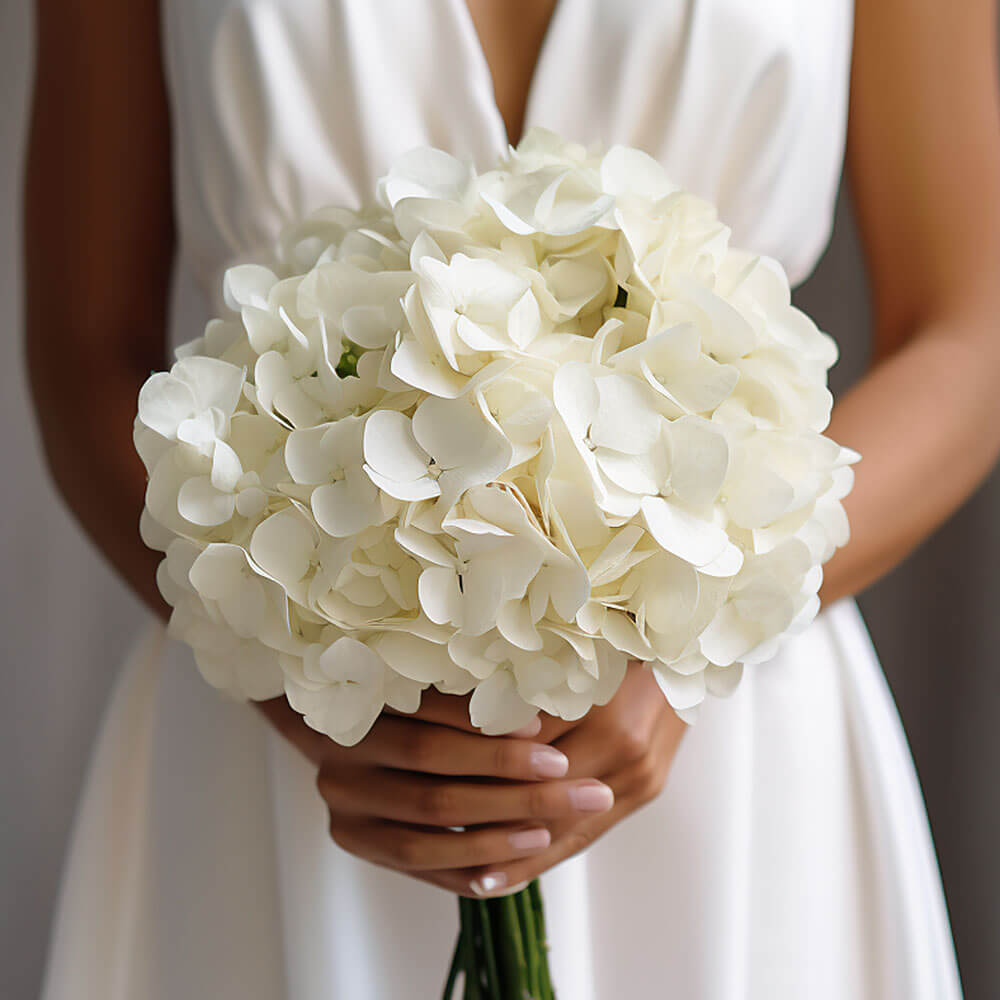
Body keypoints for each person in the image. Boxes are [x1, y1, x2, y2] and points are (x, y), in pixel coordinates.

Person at [25, 0, 995, 996]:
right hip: (287, 758)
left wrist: (697, 630)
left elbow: (967, 331)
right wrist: (314, 681)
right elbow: (84, 355)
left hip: (728, 741)